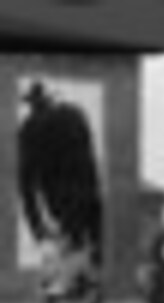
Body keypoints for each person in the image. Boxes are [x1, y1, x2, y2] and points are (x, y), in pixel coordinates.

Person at [18, 81, 105, 263]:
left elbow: (26, 185)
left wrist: (37, 228)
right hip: (89, 201)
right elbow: (90, 163)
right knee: (95, 257)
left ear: (32, 104)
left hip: (61, 207)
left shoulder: (28, 129)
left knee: (69, 259)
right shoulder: (75, 115)